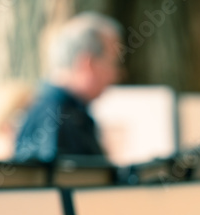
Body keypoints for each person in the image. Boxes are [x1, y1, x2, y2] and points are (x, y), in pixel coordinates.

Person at [14, 11, 121, 162]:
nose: (115, 74)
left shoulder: (58, 111)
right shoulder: (59, 117)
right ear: (88, 64)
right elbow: (68, 182)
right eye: (113, 63)